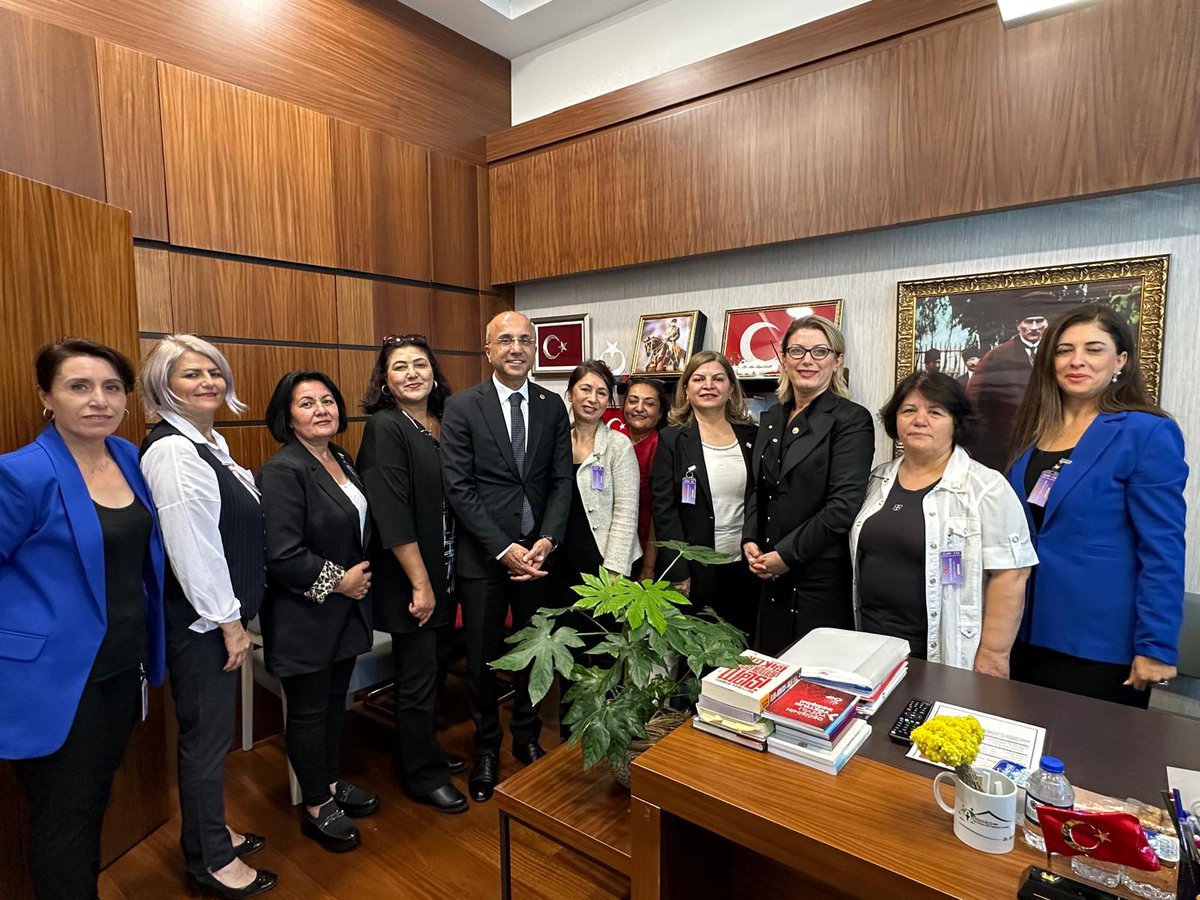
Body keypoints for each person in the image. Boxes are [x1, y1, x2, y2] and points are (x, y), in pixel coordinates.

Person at [0, 339, 166, 900]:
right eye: (79, 386)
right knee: (64, 816)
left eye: (112, 387)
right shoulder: (20, 474)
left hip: (121, 664)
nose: (98, 399)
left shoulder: (125, 455)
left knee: (92, 796)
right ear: (46, 396)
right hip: (51, 678)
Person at [139, 335, 276, 899]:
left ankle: (209, 831)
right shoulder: (172, 450)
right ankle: (210, 863)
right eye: (192, 374)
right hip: (202, 627)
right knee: (206, 742)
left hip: (219, 622)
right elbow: (191, 547)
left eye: (214, 372)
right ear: (162, 385)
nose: (209, 383)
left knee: (210, 739)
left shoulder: (210, 444)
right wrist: (229, 622)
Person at [1006, 305, 1188, 708]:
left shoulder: (1146, 432)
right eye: (1064, 350)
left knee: (1090, 765)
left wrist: (1156, 645)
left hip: (1098, 641)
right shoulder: (1036, 430)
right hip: (1021, 630)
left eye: (1093, 349)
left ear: (1120, 360)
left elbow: (1163, 548)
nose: (1077, 361)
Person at [440, 311, 572, 802]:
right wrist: (502, 548)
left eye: (525, 340)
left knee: (537, 653)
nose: (516, 348)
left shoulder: (552, 405)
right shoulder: (462, 407)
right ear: (488, 350)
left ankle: (527, 735)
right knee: (481, 660)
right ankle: (487, 747)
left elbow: (561, 481)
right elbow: (458, 486)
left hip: (539, 557)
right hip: (485, 559)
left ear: (533, 349)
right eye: (506, 340)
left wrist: (548, 540)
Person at [257, 371, 378, 852]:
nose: (321, 409)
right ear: (287, 416)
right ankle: (315, 804)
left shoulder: (339, 457)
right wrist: (340, 581)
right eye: (306, 403)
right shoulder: (282, 470)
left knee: (333, 705)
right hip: (304, 615)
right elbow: (282, 554)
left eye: (327, 399)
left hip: (345, 614)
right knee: (308, 712)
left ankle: (330, 782)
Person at [849, 372, 1036, 673]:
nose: (919, 420)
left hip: (944, 651)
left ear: (956, 422)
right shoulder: (875, 480)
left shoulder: (986, 488)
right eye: (909, 410)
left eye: (935, 412)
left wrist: (993, 655)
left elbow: (1011, 576)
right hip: (871, 646)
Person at [357, 335, 469, 815]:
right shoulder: (386, 426)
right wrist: (421, 583)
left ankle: (425, 750)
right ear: (385, 380)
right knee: (418, 676)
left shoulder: (440, 424)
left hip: (446, 568)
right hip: (412, 576)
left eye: (420, 364)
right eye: (399, 367)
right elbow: (391, 512)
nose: (411, 373)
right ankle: (422, 776)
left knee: (436, 669)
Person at [743, 316, 874, 656]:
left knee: (811, 684)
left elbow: (843, 506)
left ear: (837, 360)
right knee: (768, 676)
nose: (807, 360)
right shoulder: (772, 417)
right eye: (797, 350)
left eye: (819, 351)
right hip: (767, 574)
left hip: (818, 578)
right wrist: (750, 540)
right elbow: (759, 487)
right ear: (783, 358)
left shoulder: (851, 419)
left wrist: (785, 556)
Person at [652, 351, 758, 637]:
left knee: (741, 649)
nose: (708, 385)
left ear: (731, 388)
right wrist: (678, 570)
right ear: (686, 389)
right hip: (695, 569)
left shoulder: (752, 436)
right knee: (698, 657)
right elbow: (664, 509)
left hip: (746, 565)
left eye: (718, 378)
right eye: (699, 378)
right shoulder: (672, 438)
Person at [965, 291, 1060, 469]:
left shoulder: (1058, 354)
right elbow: (974, 405)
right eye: (1028, 322)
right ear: (1018, 325)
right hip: (1007, 450)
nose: (1033, 327)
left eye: (1039, 321)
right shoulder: (996, 357)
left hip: (1053, 443)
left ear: (1046, 323)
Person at [622, 376, 668, 580]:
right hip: (615, 547)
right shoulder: (615, 440)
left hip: (645, 550)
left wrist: (648, 567)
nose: (639, 408)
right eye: (633, 401)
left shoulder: (661, 446)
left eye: (649, 403)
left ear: (660, 413)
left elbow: (659, 512)